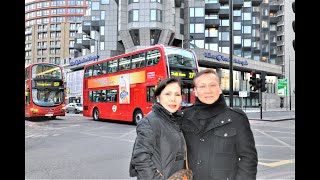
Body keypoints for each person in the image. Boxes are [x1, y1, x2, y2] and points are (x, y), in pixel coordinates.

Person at [180, 68, 258, 180]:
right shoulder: (184, 117)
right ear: (195, 91)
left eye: (212, 85)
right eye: (202, 86)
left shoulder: (237, 118)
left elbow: (248, 158)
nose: (208, 90)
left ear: (220, 88)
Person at [129, 77, 187, 179]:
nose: (173, 98)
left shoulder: (176, 119)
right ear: (158, 97)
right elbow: (140, 159)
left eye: (177, 94)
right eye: (167, 94)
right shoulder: (149, 122)